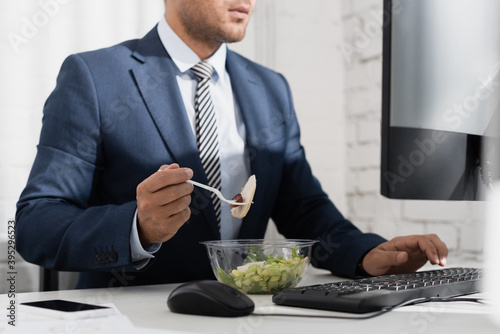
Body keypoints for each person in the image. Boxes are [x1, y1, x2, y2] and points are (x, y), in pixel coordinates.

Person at [15, 0, 447, 289]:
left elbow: (304, 208)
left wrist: (368, 254)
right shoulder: (94, 76)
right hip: (130, 319)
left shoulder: (270, 88)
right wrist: (137, 227)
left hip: (245, 315)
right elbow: (36, 223)